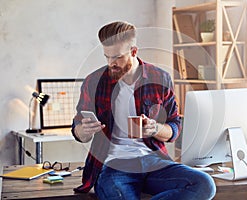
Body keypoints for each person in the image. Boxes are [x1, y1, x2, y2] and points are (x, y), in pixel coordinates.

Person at [72, 21, 216, 200]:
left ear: (133, 52)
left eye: (117, 57)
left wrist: (155, 128)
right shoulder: (93, 81)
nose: (111, 63)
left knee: (204, 184)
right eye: (107, 57)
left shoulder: (160, 78)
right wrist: (83, 130)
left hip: (153, 162)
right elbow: (78, 131)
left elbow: (174, 128)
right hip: (114, 166)